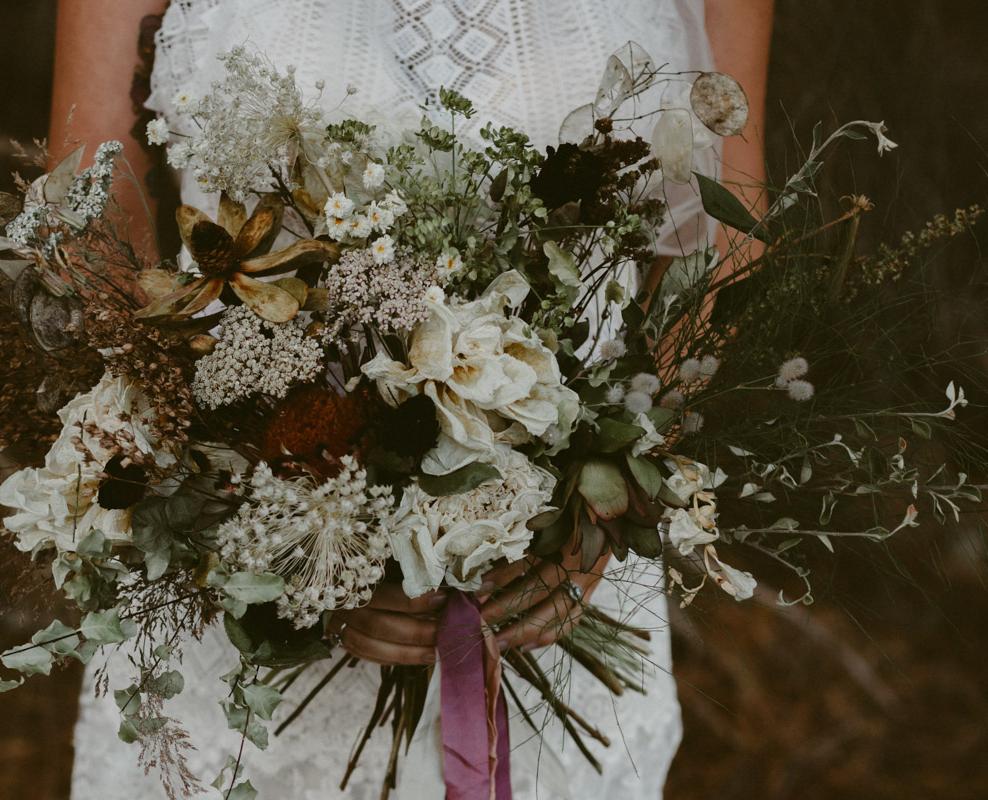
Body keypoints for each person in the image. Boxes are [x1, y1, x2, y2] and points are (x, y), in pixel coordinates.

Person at [52, 1, 773, 797]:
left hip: (564, 583)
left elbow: (726, 230)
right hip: (238, 557)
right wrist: (271, 530)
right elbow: (89, 222)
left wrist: (613, 498)